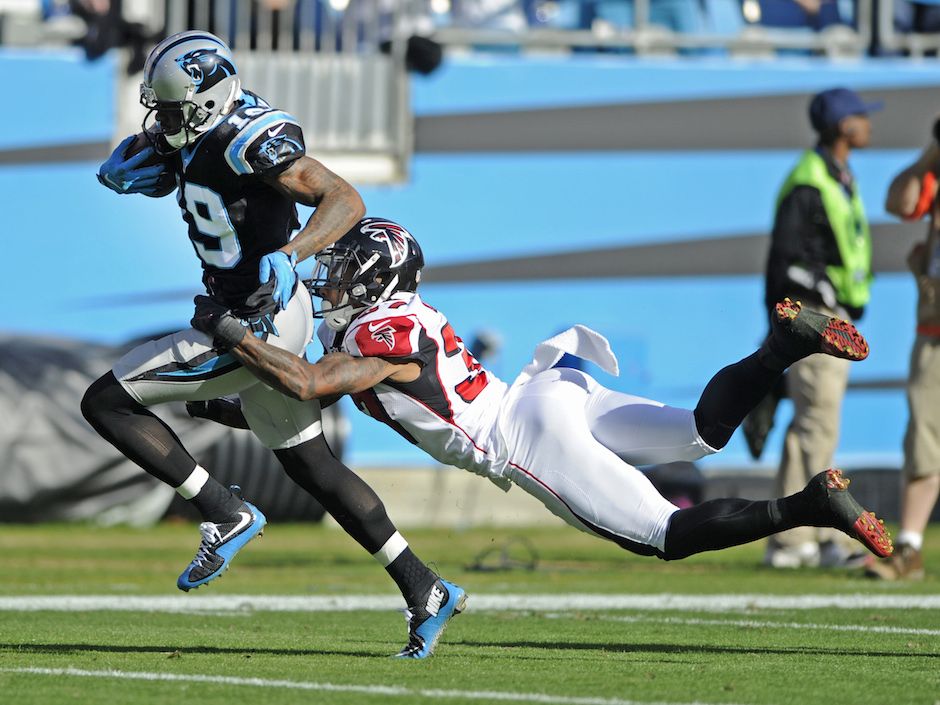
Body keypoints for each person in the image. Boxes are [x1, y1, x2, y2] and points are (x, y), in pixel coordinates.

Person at [188, 217, 893, 576]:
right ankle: (782, 347)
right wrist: (219, 407)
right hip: (552, 390)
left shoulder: (373, 340)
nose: (329, 283)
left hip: (523, 437)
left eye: (343, 272)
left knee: (666, 536)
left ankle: (811, 506)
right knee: (702, 431)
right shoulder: (392, 325)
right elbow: (310, 403)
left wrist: (228, 333)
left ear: (373, 281)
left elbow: (310, 384)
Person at [82, 32, 462, 657]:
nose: (161, 120)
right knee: (310, 464)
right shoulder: (196, 133)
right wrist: (147, 159)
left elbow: (345, 198)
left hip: (254, 321)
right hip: (257, 313)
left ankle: (223, 509)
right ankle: (424, 586)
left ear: (207, 101)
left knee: (108, 402)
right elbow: (167, 160)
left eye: (172, 109)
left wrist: (292, 254)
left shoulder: (248, 137)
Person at [757, 87, 882, 569]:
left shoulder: (837, 176)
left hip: (831, 317)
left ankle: (790, 539)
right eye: (860, 116)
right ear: (841, 126)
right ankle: (816, 536)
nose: (868, 124)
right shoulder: (810, 180)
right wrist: (823, 302)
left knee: (807, 428)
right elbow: (785, 263)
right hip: (816, 320)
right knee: (817, 424)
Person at [867, 122, 940, 580]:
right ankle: (909, 546)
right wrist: (932, 152)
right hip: (934, 330)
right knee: (924, 439)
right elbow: (900, 201)